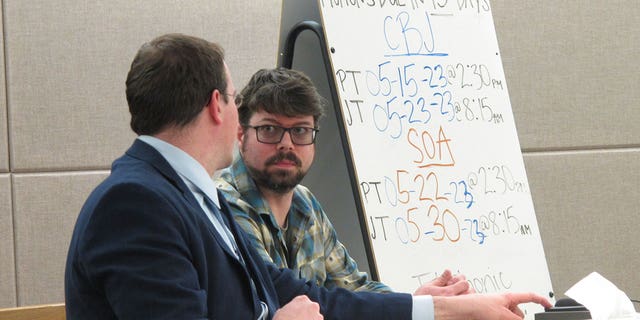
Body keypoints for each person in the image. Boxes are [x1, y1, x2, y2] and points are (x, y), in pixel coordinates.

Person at [64, 33, 551, 320]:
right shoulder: (136, 203)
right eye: (237, 101)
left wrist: (449, 310)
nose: (286, 146)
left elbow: (306, 296)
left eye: (300, 132)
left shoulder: (190, 193)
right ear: (218, 106)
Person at [216, 67, 470, 296]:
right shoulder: (225, 205)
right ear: (241, 133)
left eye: (300, 131)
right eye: (270, 129)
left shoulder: (305, 203)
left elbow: (354, 288)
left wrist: (420, 303)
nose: (287, 144)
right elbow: (279, 300)